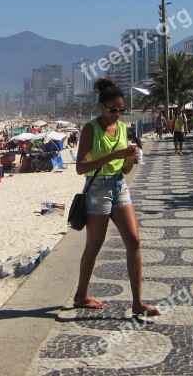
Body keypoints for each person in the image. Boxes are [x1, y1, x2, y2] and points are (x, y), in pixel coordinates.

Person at [74, 77, 159, 318]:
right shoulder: (91, 129)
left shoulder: (122, 128)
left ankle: (137, 303)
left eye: (122, 110)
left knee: (133, 241)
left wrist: (130, 158)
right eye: (114, 110)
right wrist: (114, 155)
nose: (118, 114)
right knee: (94, 244)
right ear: (101, 107)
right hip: (97, 189)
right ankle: (81, 295)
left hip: (119, 186)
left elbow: (124, 170)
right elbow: (81, 167)